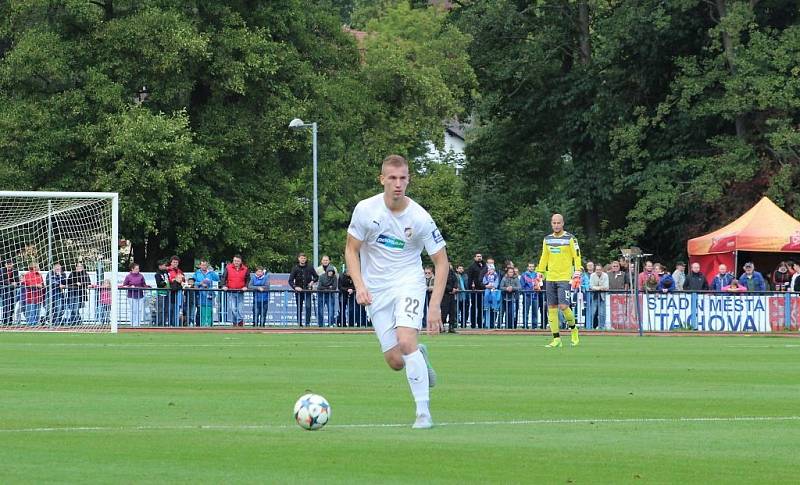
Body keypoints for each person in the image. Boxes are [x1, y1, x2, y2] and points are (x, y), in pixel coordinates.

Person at [344, 154, 447, 429]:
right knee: (395, 361)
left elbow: (441, 261)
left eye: (403, 178)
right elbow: (351, 250)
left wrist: (434, 305)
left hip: (408, 282)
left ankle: (423, 414)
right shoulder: (366, 210)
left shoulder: (421, 217)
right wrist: (360, 285)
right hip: (376, 290)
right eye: (392, 178)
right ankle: (419, 357)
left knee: (406, 341)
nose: (398, 184)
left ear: (408, 180)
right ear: (382, 180)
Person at [538, 213, 583, 348]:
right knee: (551, 307)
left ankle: (574, 329)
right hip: (550, 277)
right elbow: (544, 257)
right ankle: (556, 339)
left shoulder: (571, 239)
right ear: (551, 224)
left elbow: (577, 256)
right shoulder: (547, 239)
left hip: (564, 277)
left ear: (563, 223)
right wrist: (539, 273)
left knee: (563, 306)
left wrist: (577, 272)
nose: (556, 225)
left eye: (558, 223)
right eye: (554, 223)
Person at [288, 253, 318, 326]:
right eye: (301, 258)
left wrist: (312, 281)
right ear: (298, 259)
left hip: (307, 291)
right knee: (299, 307)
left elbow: (316, 277)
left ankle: (307, 323)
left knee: (308, 307)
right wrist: (295, 287)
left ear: (306, 259)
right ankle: (299, 323)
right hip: (299, 292)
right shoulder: (295, 268)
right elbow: (290, 280)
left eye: (304, 258)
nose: (303, 259)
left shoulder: (310, 267)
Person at [221, 255, 250, 326]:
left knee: (240, 309)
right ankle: (239, 321)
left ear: (241, 262)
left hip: (240, 292)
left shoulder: (245, 269)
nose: (236, 262)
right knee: (232, 308)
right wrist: (223, 286)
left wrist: (246, 286)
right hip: (231, 291)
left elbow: (248, 279)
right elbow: (223, 277)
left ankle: (236, 323)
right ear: (233, 261)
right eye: (235, 261)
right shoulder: (228, 267)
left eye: (238, 261)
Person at [193, 260, 219, 327]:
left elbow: (217, 278)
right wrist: (200, 283)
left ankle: (209, 326)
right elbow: (192, 282)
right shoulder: (197, 273)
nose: (204, 266)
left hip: (209, 295)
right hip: (199, 295)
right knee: (200, 312)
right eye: (202, 265)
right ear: (200, 266)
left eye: (205, 265)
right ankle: (199, 326)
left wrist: (212, 271)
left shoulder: (210, 273)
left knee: (209, 311)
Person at [122, 263, 148, 327]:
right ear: (132, 269)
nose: (138, 270)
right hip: (131, 295)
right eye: (136, 269)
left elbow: (144, 284)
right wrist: (130, 286)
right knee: (133, 310)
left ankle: (138, 324)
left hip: (140, 295)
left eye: (138, 268)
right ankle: (133, 324)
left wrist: (147, 287)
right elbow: (124, 285)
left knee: (139, 310)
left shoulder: (141, 276)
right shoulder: (128, 276)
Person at [466, 253, 485, 328]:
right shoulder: (472, 267)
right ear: (475, 258)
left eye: (480, 256)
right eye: (478, 256)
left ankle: (480, 324)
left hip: (483, 289)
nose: (479, 258)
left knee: (481, 307)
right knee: (474, 307)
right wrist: (470, 287)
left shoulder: (484, 266)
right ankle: (473, 324)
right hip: (475, 289)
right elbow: (470, 278)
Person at [519, 263, 541, 329]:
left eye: (532, 266)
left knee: (535, 311)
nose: (531, 268)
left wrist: (538, 288)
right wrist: (525, 292)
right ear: (527, 267)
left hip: (535, 295)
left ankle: (534, 326)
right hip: (527, 295)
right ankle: (525, 325)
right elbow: (522, 285)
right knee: (526, 311)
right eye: (530, 266)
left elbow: (540, 283)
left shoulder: (537, 275)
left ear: (534, 267)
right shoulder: (524, 275)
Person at [588, 263, 609, 329]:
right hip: (594, 296)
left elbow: (606, 287)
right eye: (597, 269)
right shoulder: (592, 275)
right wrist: (600, 288)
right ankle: (590, 326)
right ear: (595, 270)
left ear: (602, 270)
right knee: (592, 312)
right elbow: (591, 286)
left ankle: (602, 327)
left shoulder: (605, 275)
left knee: (602, 313)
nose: (598, 271)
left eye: (599, 269)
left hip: (602, 296)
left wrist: (596, 287)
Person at [481, 262, 501, 328]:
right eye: (489, 270)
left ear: (494, 270)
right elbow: (484, 281)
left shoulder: (496, 275)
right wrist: (487, 285)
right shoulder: (486, 275)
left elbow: (497, 282)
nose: (490, 271)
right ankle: (486, 306)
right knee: (486, 295)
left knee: (493, 296)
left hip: (493, 288)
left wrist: (494, 286)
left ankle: (494, 307)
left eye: (491, 269)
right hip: (488, 287)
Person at [441, 262, 459, 333]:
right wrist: (451, 289)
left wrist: (455, 287)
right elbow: (443, 283)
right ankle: (441, 327)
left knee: (452, 311)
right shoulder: (442, 273)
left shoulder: (452, 273)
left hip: (452, 295)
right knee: (444, 311)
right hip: (445, 295)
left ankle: (451, 327)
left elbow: (455, 281)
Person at [1, 259, 20, 325]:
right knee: (6, 305)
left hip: (12, 290)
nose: (9, 265)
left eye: (10, 264)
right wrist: (10, 283)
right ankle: (5, 320)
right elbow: (1, 280)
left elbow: (17, 280)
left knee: (12, 305)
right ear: (5, 265)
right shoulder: (1, 270)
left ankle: (10, 320)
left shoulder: (15, 271)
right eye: (8, 264)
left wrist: (16, 283)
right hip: (4, 290)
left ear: (12, 264)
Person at [153, 260, 170, 326]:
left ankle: (164, 322)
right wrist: (165, 282)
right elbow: (159, 284)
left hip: (167, 292)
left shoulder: (166, 273)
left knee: (166, 309)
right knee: (160, 309)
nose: (165, 266)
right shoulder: (157, 274)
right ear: (160, 266)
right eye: (164, 265)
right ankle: (159, 323)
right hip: (161, 293)